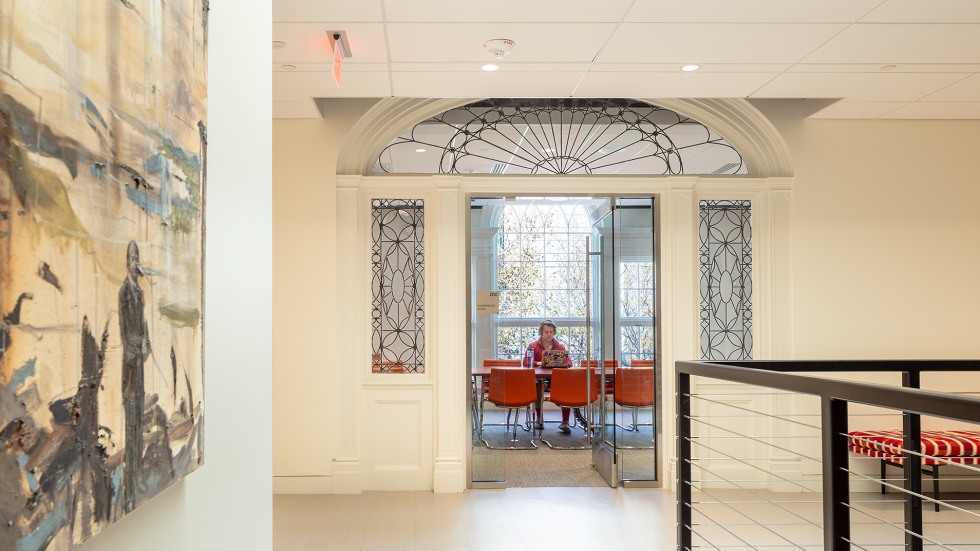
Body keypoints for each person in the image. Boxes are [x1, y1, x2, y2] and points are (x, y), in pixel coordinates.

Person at [524, 320, 574, 434]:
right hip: (540, 379)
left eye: (551, 332)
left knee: (566, 388)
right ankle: (539, 418)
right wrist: (539, 363)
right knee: (538, 388)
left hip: (557, 379)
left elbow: (570, 363)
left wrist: (560, 363)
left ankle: (565, 421)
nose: (549, 334)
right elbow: (526, 362)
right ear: (541, 332)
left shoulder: (560, 346)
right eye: (546, 332)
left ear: (554, 332)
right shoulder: (532, 346)